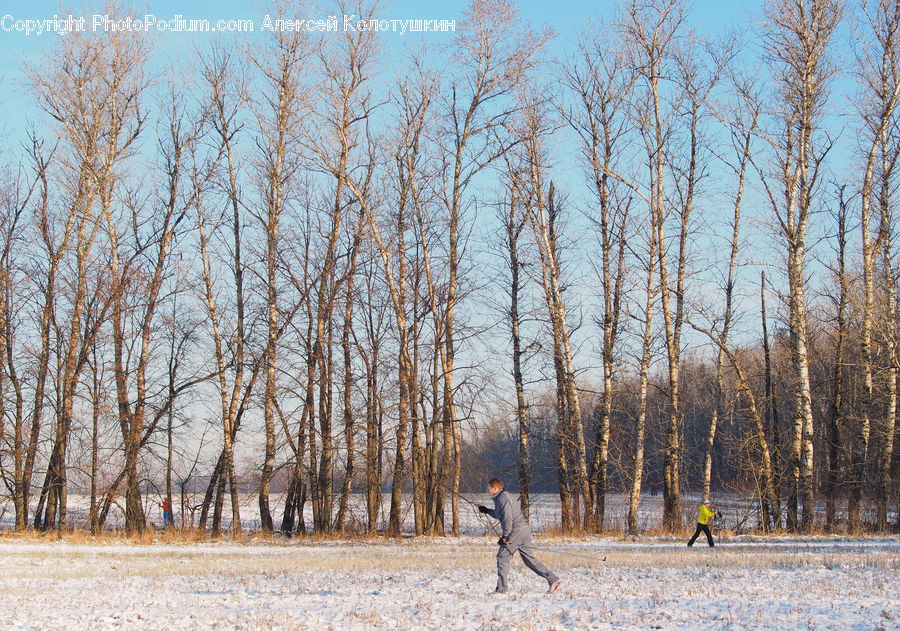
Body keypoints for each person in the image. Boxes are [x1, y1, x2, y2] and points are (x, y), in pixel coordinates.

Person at [477, 478, 562, 594]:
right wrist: (486, 510)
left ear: (495, 488)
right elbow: (499, 514)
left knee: (502, 558)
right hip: (523, 530)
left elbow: (507, 518)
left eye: (488, 488)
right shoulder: (503, 497)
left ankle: (501, 589)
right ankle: (553, 579)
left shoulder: (502, 498)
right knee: (529, 560)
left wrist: (506, 536)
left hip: (515, 531)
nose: (487, 491)